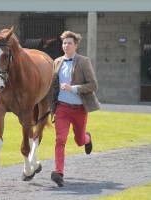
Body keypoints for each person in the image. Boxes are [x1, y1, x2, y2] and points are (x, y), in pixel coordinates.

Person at [47, 31, 100, 187]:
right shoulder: (56, 62)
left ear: (75, 46)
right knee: (60, 140)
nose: (66, 45)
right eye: (64, 43)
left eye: (69, 43)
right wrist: (52, 107)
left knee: (79, 141)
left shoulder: (83, 62)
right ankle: (59, 173)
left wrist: (74, 88)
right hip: (62, 109)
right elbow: (52, 87)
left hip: (79, 109)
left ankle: (87, 138)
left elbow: (94, 85)